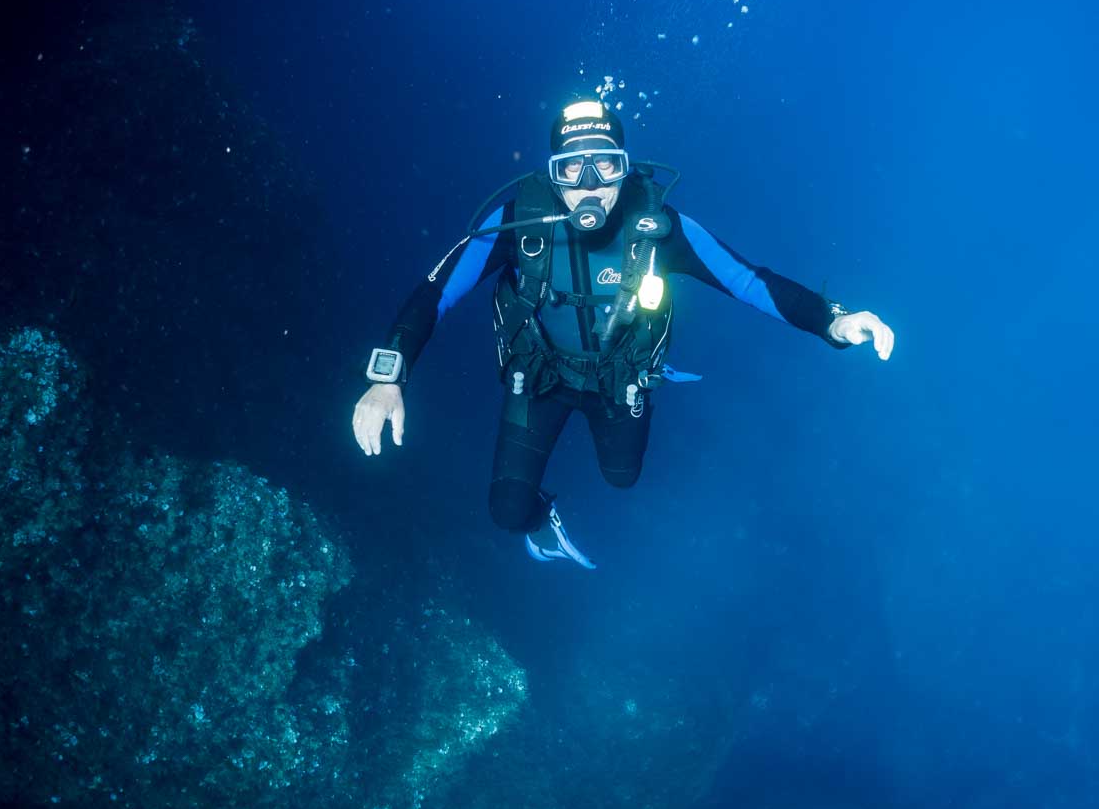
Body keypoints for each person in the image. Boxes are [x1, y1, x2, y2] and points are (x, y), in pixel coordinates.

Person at [352, 100, 894, 568]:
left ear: (626, 170)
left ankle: (658, 374)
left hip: (620, 379)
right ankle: (546, 526)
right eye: (572, 170)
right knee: (508, 512)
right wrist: (388, 376)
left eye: (606, 166)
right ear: (552, 175)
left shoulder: (660, 227)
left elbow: (748, 280)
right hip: (539, 377)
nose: (590, 187)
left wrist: (832, 320)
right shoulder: (519, 222)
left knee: (622, 478)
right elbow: (436, 292)